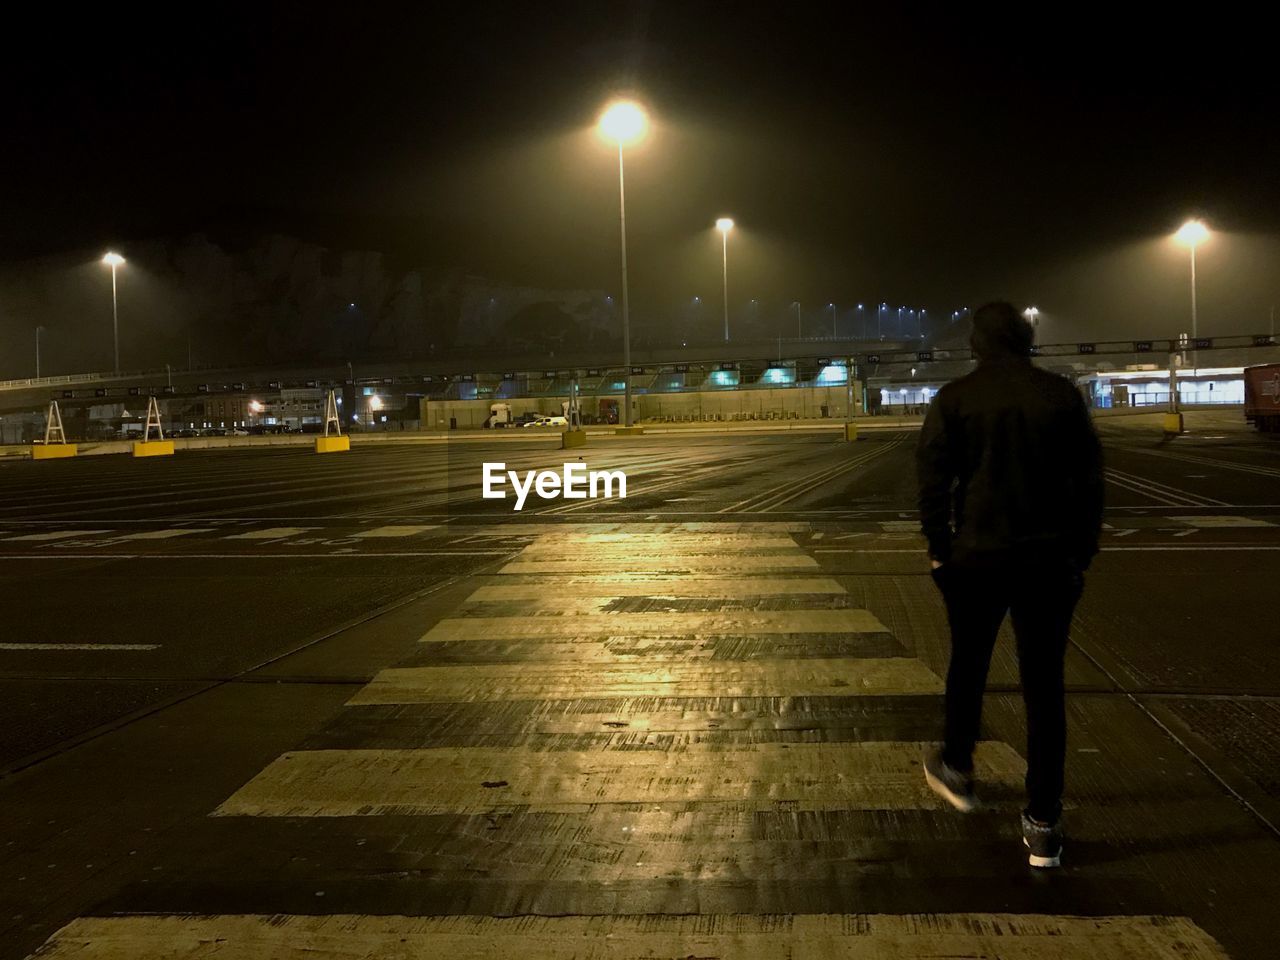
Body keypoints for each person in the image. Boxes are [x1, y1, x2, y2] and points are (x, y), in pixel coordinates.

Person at [916, 300, 1103, 868]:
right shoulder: (1061, 395)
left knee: (967, 665)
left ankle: (958, 767)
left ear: (977, 345)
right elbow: (1090, 482)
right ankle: (1043, 821)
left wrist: (941, 553)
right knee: (1044, 688)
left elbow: (931, 484)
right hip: (1048, 562)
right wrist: (1080, 555)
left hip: (976, 560)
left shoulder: (954, 400)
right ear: (1028, 340)